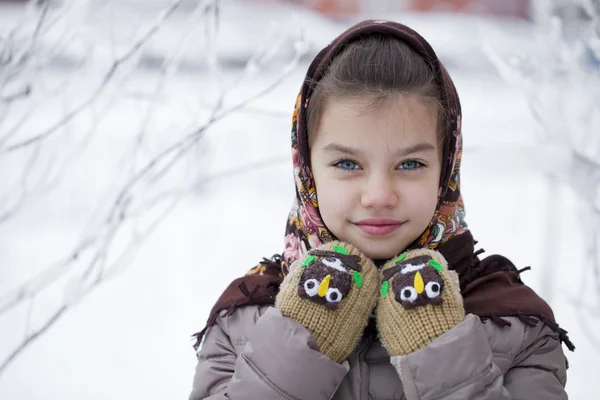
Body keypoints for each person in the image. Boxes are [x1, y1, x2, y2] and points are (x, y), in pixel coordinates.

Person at [188, 20, 574, 400]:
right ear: (307, 168)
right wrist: (297, 343)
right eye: (346, 164)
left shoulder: (515, 325)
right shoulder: (243, 320)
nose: (378, 195)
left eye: (409, 165)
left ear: (446, 169)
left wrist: (442, 352)